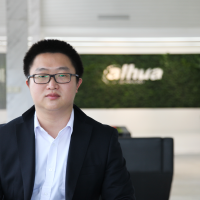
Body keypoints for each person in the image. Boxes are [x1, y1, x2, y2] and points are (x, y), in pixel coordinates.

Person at [0, 39, 135, 200]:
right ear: (29, 84)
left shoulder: (104, 139)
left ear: (78, 83)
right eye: (42, 75)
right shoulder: (3, 136)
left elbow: (120, 196)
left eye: (62, 75)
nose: (51, 84)